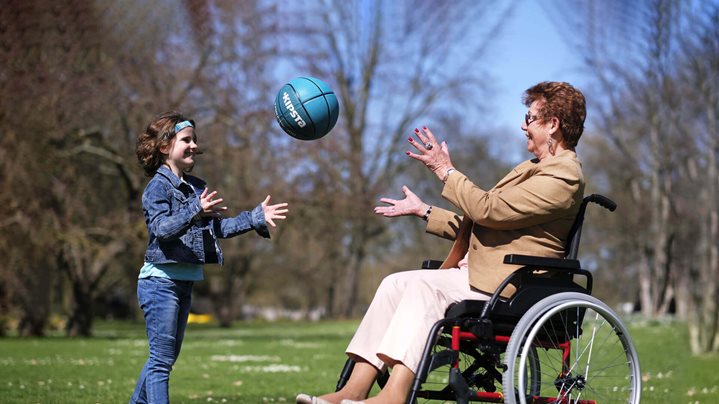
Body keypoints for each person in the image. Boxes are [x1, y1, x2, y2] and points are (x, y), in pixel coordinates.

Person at [296, 81, 586, 404]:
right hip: (489, 276)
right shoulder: (533, 169)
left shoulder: (564, 176)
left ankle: (394, 395)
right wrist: (425, 211)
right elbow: (484, 224)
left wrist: (445, 171)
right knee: (394, 284)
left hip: (514, 287)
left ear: (553, 125)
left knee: (425, 289)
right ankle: (353, 390)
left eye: (530, 117)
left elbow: (487, 209)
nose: (523, 125)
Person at [130, 111, 289, 404]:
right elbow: (160, 229)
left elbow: (218, 229)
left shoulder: (197, 188)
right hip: (159, 284)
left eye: (195, 140)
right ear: (165, 146)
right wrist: (194, 211)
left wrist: (255, 217)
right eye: (186, 140)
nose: (193, 145)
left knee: (163, 359)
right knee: (162, 359)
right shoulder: (158, 188)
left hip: (183, 282)